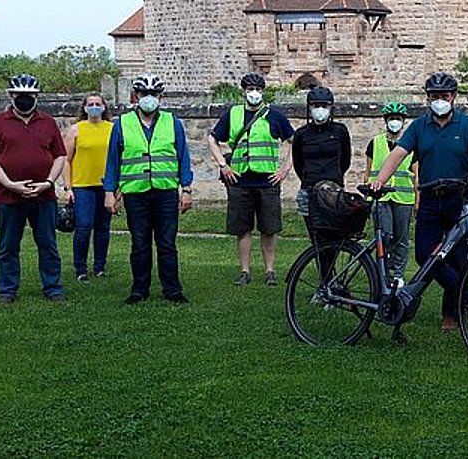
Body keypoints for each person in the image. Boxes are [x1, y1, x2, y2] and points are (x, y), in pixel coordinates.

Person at [370, 72, 468, 331]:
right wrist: (380, 180)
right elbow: (399, 153)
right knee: (425, 255)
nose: (439, 100)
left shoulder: (467, 125)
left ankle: (451, 314)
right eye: (434, 96)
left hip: (459, 199)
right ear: (427, 98)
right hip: (430, 197)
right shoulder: (419, 126)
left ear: (453, 97)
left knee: (458, 258)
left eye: (444, 96)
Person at [103, 75, 194, 304]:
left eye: (154, 94)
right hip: (135, 193)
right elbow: (113, 161)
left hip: (165, 192)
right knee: (140, 243)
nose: (149, 98)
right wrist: (109, 193)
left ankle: (172, 289)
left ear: (160, 97)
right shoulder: (121, 124)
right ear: (136, 96)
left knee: (167, 243)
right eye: (145, 94)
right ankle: (139, 289)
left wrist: (187, 190)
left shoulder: (172, 123)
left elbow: (183, 157)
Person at [0, 73, 68, 304]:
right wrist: (9, 184)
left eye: (30, 96)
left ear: (37, 97)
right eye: (20, 95)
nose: (25, 99)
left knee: (48, 244)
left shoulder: (48, 122)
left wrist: (48, 182)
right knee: (8, 245)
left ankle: (53, 287)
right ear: (11, 96)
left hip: (44, 195)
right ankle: (7, 290)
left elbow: (59, 156)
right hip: (8, 196)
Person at [207, 73, 295, 287]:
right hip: (240, 181)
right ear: (243, 91)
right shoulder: (234, 114)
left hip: (267, 181)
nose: (253, 93)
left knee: (269, 229)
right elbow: (213, 138)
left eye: (257, 89)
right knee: (242, 229)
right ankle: (245, 270)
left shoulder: (274, 115)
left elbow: (294, 141)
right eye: (249, 89)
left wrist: (285, 170)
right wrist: (223, 164)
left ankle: (270, 270)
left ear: (263, 91)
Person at [61, 93, 114, 283]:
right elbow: (66, 160)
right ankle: (80, 268)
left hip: (105, 185)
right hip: (82, 186)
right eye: (90, 104)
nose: (94, 107)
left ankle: (100, 267)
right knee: (83, 227)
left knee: (103, 227)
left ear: (104, 107)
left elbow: (119, 158)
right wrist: (68, 188)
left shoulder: (113, 129)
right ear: (83, 108)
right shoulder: (75, 130)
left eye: (97, 103)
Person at [292, 85, 352, 239]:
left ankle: (330, 264)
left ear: (331, 108)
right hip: (309, 189)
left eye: (324, 106)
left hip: (333, 190)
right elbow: (298, 162)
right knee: (316, 238)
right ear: (309, 108)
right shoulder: (302, 134)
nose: (320, 110)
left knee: (334, 236)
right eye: (316, 106)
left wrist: (334, 177)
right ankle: (321, 263)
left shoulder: (339, 131)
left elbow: (346, 159)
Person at [366, 101, 416, 282]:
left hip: (404, 198)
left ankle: (398, 275)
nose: (395, 122)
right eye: (391, 118)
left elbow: (416, 174)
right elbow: (368, 171)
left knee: (401, 239)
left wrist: (418, 200)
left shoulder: (411, 144)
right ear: (386, 120)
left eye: (398, 118)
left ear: (403, 121)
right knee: (384, 236)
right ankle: (382, 273)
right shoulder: (375, 143)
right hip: (381, 197)